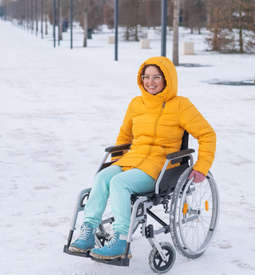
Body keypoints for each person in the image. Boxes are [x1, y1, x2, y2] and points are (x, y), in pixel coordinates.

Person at [69, 56, 216, 260]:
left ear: (167, 79)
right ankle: (88, 231)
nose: (150, 82)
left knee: (120, 183)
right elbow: (124, 137)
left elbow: (207, 135)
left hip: (162, 166)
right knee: (103, 177)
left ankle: (120, 239)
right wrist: (117, 161)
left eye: (156, 77)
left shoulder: (181, 105)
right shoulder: (136, 103)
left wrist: (201, 167)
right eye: (146, 77)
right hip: (133, 159)